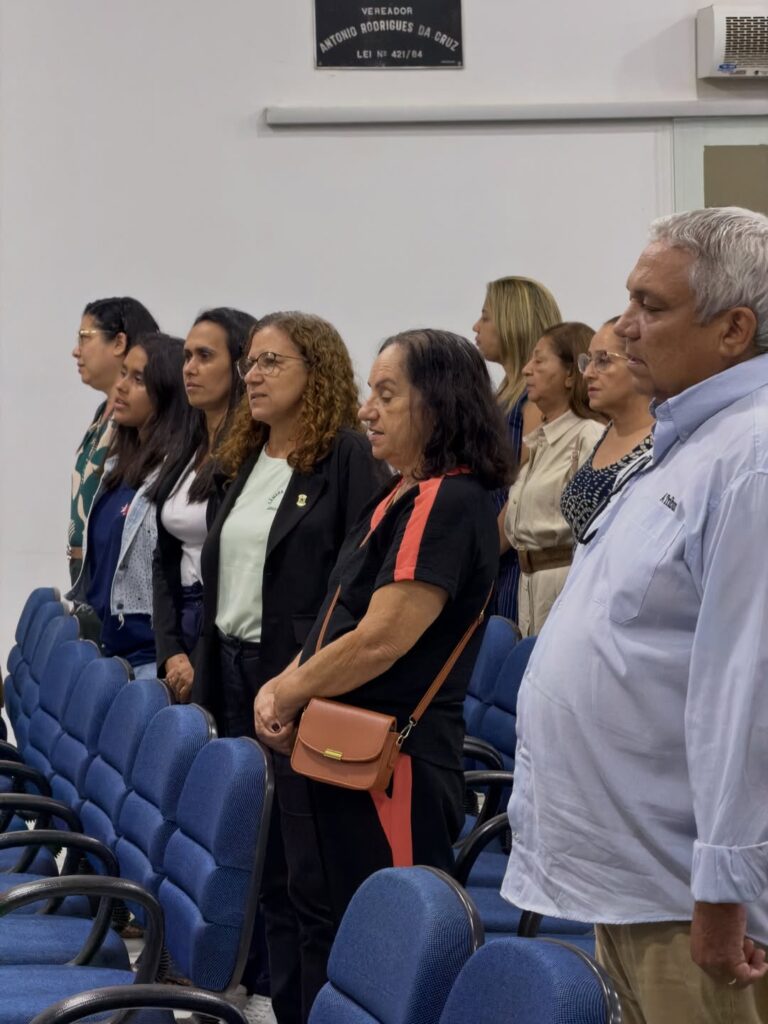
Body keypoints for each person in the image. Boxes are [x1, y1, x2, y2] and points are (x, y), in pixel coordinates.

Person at [501, 207, 768, 1024]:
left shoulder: (752, 455)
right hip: (639, 877)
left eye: (650, 306)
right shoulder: (685, 436)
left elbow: (745, 691)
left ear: (734, 330)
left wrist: (724, 887)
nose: (622, 327)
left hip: (691, 895)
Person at [253, 329, 513, 1020]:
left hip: (391, 766)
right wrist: (285, 686)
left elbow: (381, 639)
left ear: (440, 403)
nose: (367, 409)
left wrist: (288, 691)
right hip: (341, 749)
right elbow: (337, 615)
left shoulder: (446, 502)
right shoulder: (402, 492)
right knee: (327, 928)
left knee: (385, 962)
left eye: (387, 394)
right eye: (371, 391)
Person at [193, 311, 389, 1024]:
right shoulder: (244, 455)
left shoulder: (344, 457)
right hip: (234, 672)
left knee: (309, 872)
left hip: (300, 682)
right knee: (264, 864)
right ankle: (277, 1003)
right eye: (251, 361)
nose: (253, 374)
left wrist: (306, 675)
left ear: (318, 370)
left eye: (272, 361)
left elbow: (358, 581)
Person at [151, 307, 257, 703]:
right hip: (181, 620)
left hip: (221, 628)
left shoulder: (251, 455)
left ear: (240, 366)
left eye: (205, 356)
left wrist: (199, 658)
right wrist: (170, 650)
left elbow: (240, 568)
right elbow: (163, 557)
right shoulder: (187, 446)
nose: (190, 368)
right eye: (187, 356)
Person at [68, 334, 189, 677]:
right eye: (123, 374)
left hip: (149, 659)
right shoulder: (116, 467)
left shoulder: (176, 475)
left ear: (167, 393)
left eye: (138, 379)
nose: (121, 386)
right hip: (109, 651)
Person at [500, 322, 604, 635]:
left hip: (565, 585)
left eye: (539, 360)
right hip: (528, 585)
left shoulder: (588, 437)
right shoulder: (540, 442)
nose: (527, 370)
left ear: (571, 374)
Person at [473, 277, 562, 621]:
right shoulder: (502, 398)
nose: (476, 326)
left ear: (513, 323)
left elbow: (524, 493)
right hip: (492, 558)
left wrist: (481, 558)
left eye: (486, 317)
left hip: (509, 565)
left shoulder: (534, 403)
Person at [69, 296, 159, 585]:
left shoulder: (137, 421)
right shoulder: (102, 414)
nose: (76, 350)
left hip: (112, 570)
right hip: (86, 569)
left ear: (119, 342)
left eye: (85, 337)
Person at [560, 316, 654, 543]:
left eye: (603, 360)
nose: (588, 373)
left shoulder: (660, 442)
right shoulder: (609, 430)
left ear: (639, 362)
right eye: (588, 360)